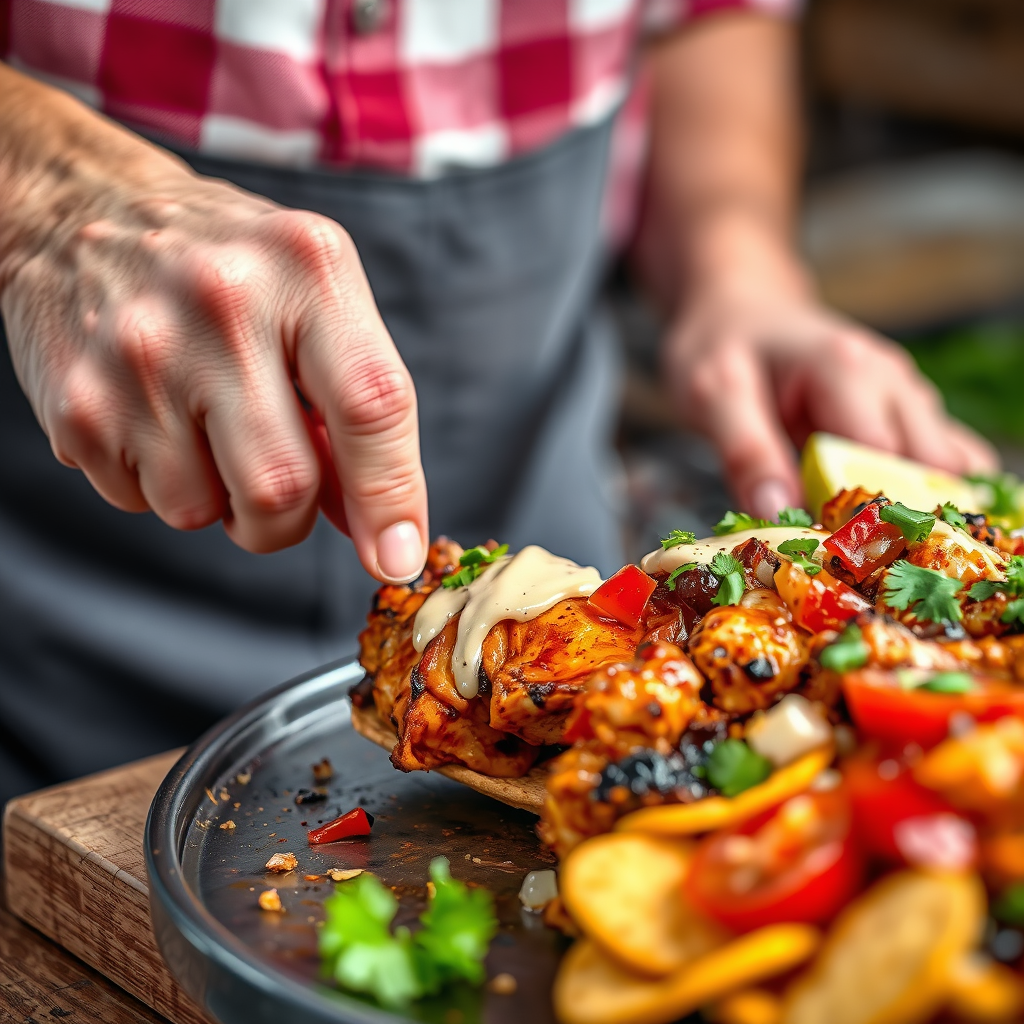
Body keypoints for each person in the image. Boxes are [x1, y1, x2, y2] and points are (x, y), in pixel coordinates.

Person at [0, 0, 995, 806]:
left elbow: (716, 12)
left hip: (559, 558)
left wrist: (736, 269)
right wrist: (44, 191)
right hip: (44, 608)